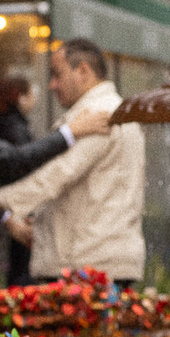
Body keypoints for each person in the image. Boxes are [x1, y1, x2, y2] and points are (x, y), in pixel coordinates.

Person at [0, 39, 144, 285]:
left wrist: (5, 203)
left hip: (85, 266)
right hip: (101, 260)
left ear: (83, 71)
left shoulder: (97, 115)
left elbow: (55, 176)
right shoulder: (115, 110)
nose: (51, 85)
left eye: (57, 74)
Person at [0, 72, 112, 282]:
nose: (52, 85)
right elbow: (14, 160)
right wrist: (70, 132)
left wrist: (7, 217)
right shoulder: (13, 125)